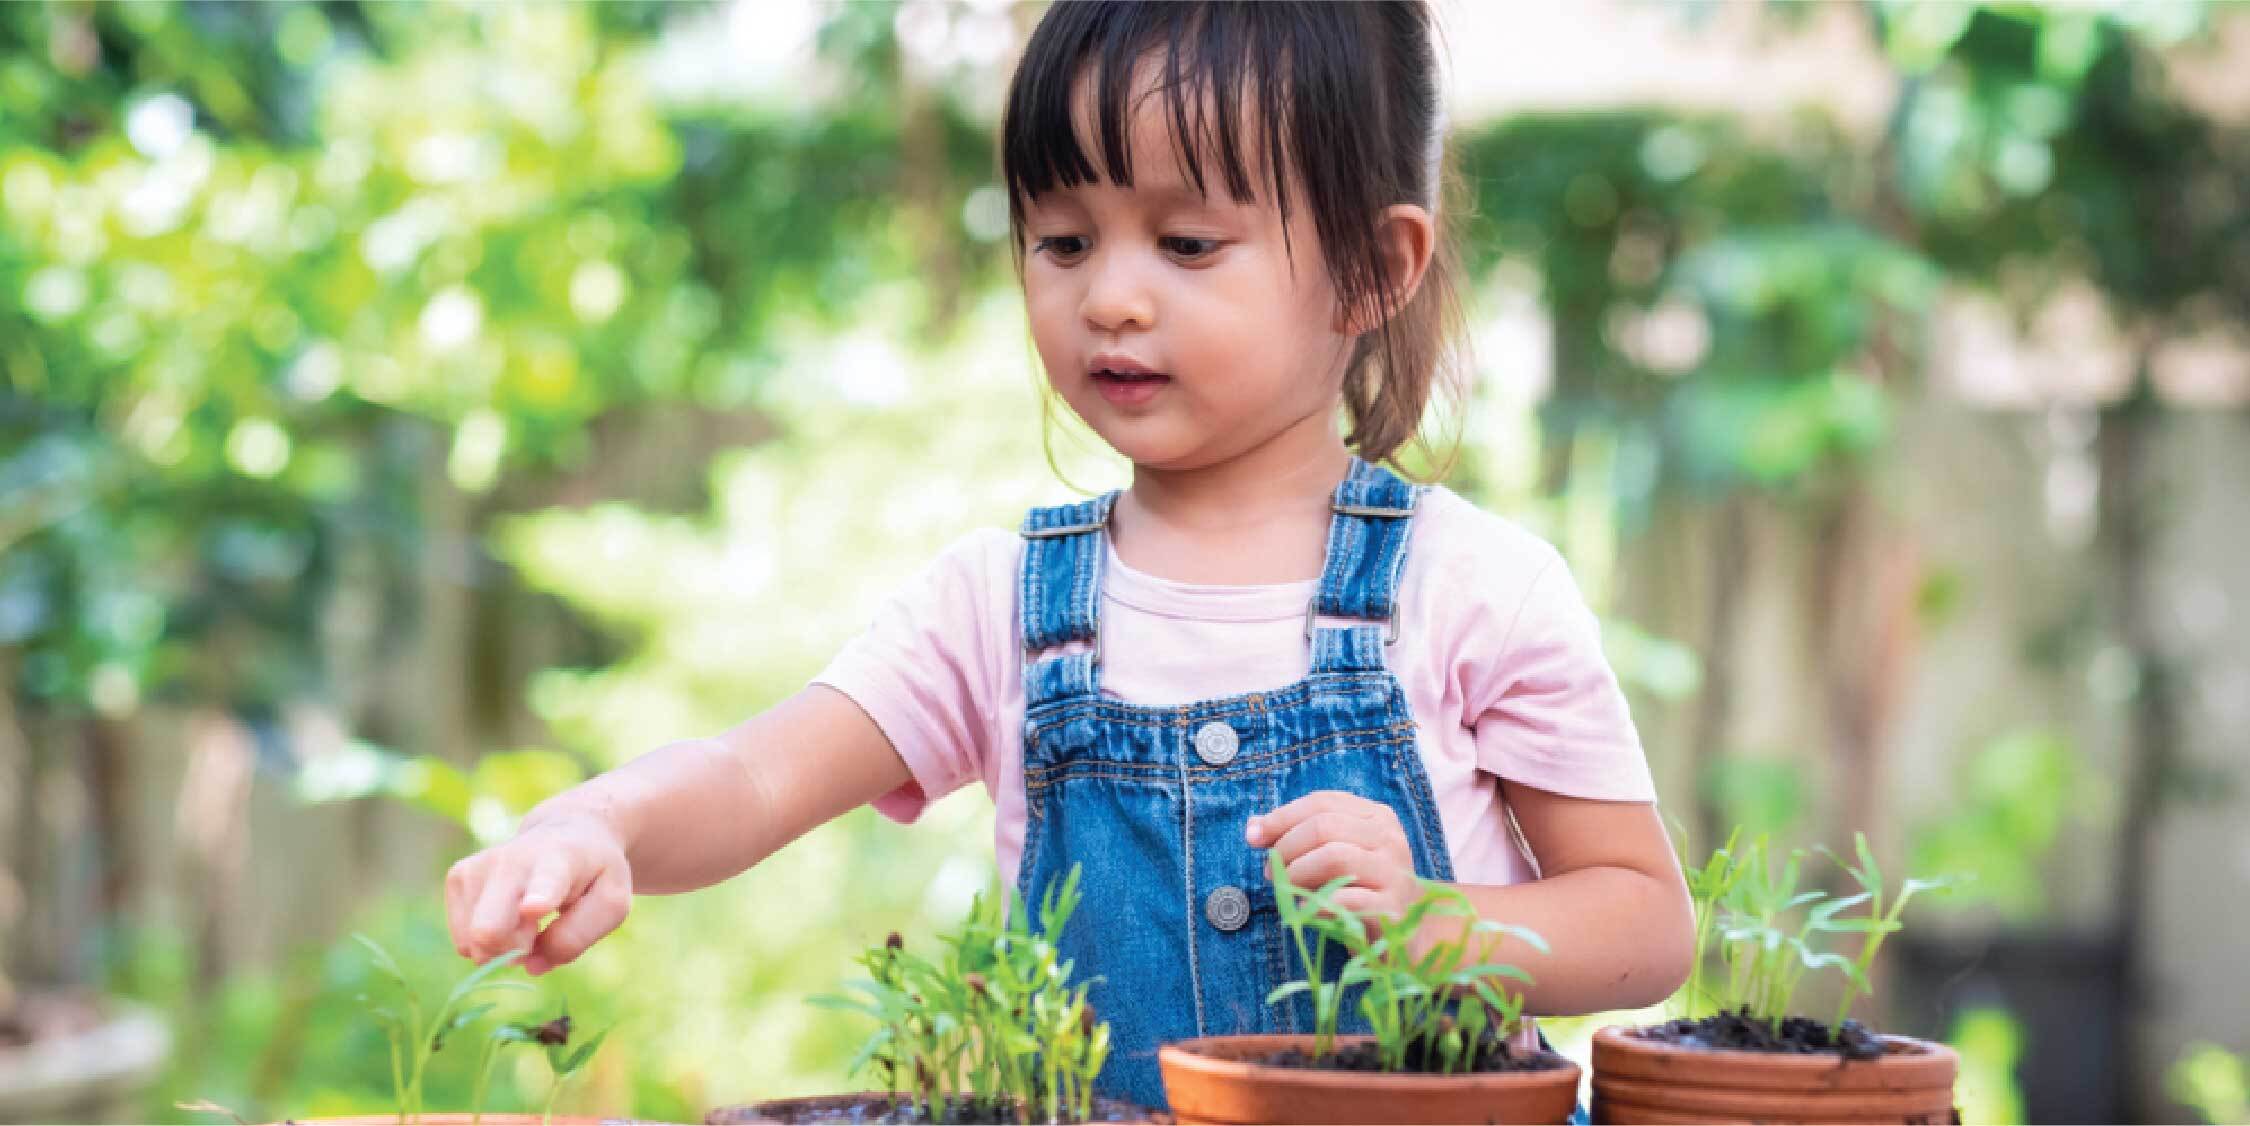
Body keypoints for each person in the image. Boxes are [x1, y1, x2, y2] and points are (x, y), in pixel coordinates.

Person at [445, 0, 1694, 1111]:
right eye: (1064, 240)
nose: (1111, 298)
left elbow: (1643, 924)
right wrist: (595, 824)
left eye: (1187, 244)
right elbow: (751, 779)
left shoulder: (1473, 591)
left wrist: (1441, 923)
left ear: (1372, 269)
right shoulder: (1000, 605)